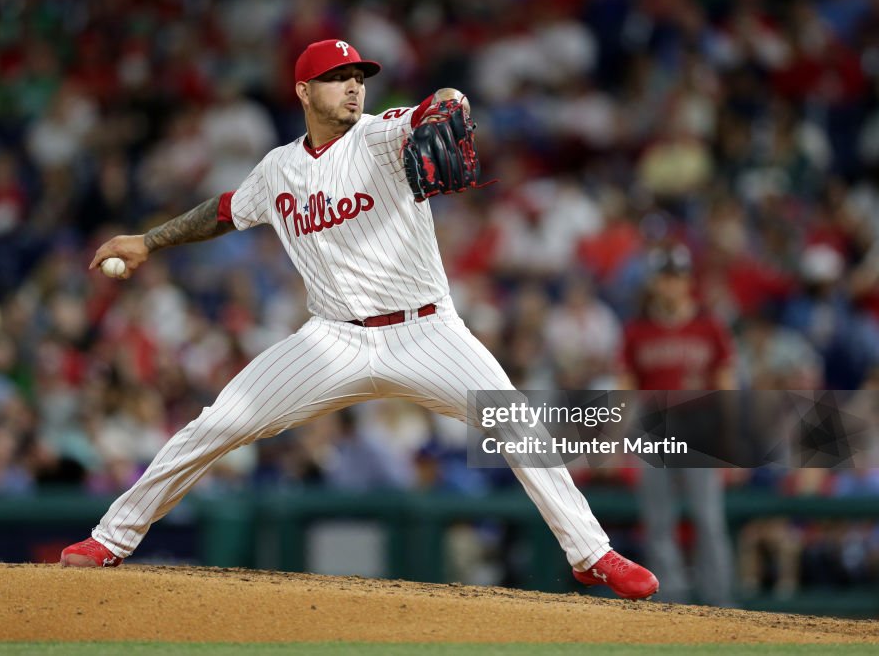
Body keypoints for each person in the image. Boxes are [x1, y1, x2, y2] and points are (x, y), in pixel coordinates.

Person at [61, 39, 658, 600]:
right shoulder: (277, 169)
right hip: (332, 339)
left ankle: (591, 553)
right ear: (302, 91)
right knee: (216, 425)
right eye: (336, 79)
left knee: (513, 419)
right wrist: (148, 239)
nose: (352, 87)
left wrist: (451, 102)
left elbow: (443, 102)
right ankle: (110, 539)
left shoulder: (382, 136)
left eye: (358, 77)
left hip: (426, 331)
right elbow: (224, 211)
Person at [618, 245, 735, 606]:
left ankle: (721, 604)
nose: (670, 285)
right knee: (658, 523)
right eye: (664, 277)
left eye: (677, 277)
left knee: (709, 521)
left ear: (687, 281)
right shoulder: (637, 329)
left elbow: (726, 383)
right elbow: (625, 387)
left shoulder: (709, 325)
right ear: (654, 283)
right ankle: (671, 606)